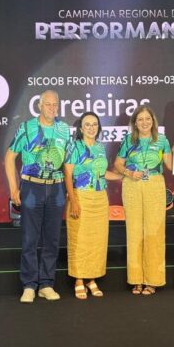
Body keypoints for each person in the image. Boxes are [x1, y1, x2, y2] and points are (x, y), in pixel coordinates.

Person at [4, 90, 70, 303]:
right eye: (48, 104)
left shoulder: (64, 129)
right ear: (39, 106)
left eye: (55, 104)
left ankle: (47, 284)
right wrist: (14, 188)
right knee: (30, 238)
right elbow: (9, 157)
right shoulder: (27, 128)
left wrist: (71, 192)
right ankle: (29, 285)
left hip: (57, 188)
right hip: (32, 187)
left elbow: (68, 164)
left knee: (52, 239)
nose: (52, 108)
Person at [114, 105, 172, 296]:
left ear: (153, 121)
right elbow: (118, 164)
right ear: (135, 123)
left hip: (154, 184)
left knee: (154, 232)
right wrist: (129, 172)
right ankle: (136, 279)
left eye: (148, 119)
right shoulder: (128, 140)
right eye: (140, 119)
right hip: (132, 184)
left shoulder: (162, 140)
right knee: (134, 231)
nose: (144, 122)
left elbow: (171, 165)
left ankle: (153, 279)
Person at [64, 112, 122, 300]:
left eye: (94, 124)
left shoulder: (100, 147)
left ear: (99, 127)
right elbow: (68, 175)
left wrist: (123, 176)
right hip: (81, 197)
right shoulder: (74, 146)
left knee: (97, 241)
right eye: (87, 124)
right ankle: (79, 280)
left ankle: (91, 279)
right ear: (81, 128)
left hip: (100, 198)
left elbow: (102, 173)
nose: (91, 127)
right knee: (80, 240)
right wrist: (73, 201)